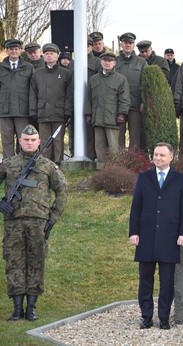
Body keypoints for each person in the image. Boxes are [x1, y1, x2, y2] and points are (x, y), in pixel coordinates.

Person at [0, 124, 67, 321]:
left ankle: (31, 308)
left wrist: (52, 219)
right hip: (13, 222)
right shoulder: (9, 164)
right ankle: (17, 308)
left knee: (36, 262)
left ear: (38, 142)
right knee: (14, 263)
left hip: (39, 223)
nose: (29, 143)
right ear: (20, 141)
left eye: (33, 140)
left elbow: (62, 191)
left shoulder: (47, 166)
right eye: (26, 140)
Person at [129, 142, 183, 330]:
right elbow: (136, 208)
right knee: (145, 279)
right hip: (146, 236)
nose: (158, 158)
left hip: (170, 237)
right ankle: (146, 316)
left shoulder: (180, 180)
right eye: (156, 155)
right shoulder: (144, 178)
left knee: (167, 282)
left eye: (162, 155)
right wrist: (133, 232)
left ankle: (164, 317)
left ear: (171, 157)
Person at [29, 43, 73, 165]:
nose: (49, 56)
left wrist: (67, 111)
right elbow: (32, 94)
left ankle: (58, 164)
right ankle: (45, 164)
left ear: (57, 55)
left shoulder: (65, 74)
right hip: (42, 113)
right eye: (47, 54)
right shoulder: (37, 74)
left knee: (58, 140)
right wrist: (33, 111)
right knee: (44, 141)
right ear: (43, 56)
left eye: (52, 54)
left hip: (59, 113)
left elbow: (69, 95)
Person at [85, 52, 131, 169]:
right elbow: (88, 98)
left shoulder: (121, 79)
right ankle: (101, 168)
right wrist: (88, 114)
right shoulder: (93, 79)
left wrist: (122, 113)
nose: (107, 63)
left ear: (114, 63)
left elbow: (124, 98)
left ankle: (114, 168)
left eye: (110, 61)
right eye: (105, 60)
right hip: (97, 117)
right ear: (101, 62)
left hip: (112, 118)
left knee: (113, 146)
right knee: (99, 145)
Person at [0, 38, 34, 159]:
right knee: (7, 140)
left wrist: (32, 108)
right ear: (7, 51)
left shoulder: (28, 67)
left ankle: (23, 163)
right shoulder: (1, 67)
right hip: (4, 110)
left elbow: (33, 89)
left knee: (23, 139)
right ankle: (8, 165)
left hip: (22, 110)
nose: (14, 51)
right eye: (11, 49)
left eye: (16, 49)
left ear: (20, 51)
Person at [115, 32, 148, 151]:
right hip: (117, 105)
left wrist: (144, 102)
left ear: (133, 45)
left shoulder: (142, 62)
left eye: (130, 43)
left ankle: (134, 162)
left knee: (135, 136)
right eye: (125, 43)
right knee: (118, 136)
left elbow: (146, 84)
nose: (127, 45)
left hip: (135, 104)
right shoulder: (114, 61)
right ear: (121, 44)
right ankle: (119, 163)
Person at [86, 36, 102, 161]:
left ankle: (92, 156)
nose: (85, 48)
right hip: (76, 101)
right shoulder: (73, 63)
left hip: (92, 99)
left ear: (91, 47)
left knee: (92, 130)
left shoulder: (97, 62)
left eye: (88, 46)